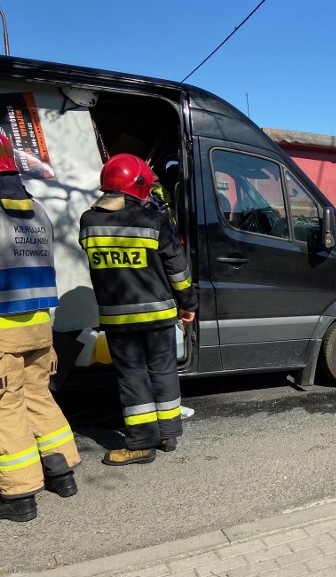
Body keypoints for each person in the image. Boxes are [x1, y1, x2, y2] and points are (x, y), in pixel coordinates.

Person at [78, 154, 197, 465]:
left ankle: (141, 443)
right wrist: (188, 305)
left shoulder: (88, 221)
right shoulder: (154, 221)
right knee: (163, 371)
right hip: (158, 315)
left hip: (119, 318)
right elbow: (178, 270)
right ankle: (167, 434)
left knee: (133, 378)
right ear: (140, 185)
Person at [0, 133, 81, 522]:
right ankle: (62, 472)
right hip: (38, 325)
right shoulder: (34, 208)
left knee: (5, 406)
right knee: (38, 396)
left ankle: (18, 498)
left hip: (1, 328)